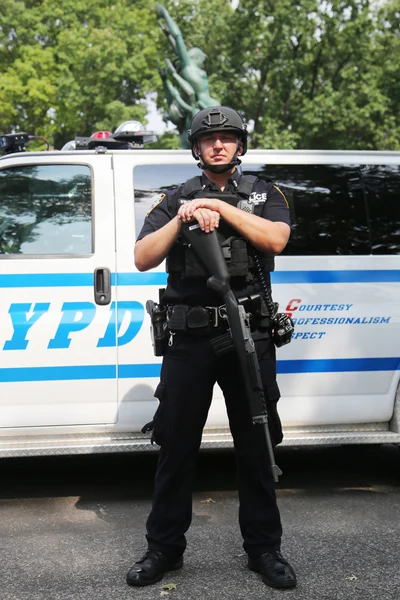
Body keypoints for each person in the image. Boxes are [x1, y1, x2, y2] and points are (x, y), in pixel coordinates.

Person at [127, 106, 297, 590]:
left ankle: (264, 550)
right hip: (189, 341)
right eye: (209, 139)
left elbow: (278, 239)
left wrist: (222, 209)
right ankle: (164, 549)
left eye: (227, 138)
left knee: (256, 447)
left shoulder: (266, 194)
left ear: (239, 146)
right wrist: (181, 220)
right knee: (176, 447)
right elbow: (141, 258)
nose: (218, 145)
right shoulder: (175, 196)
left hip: (249, 336)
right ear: (196, 149)